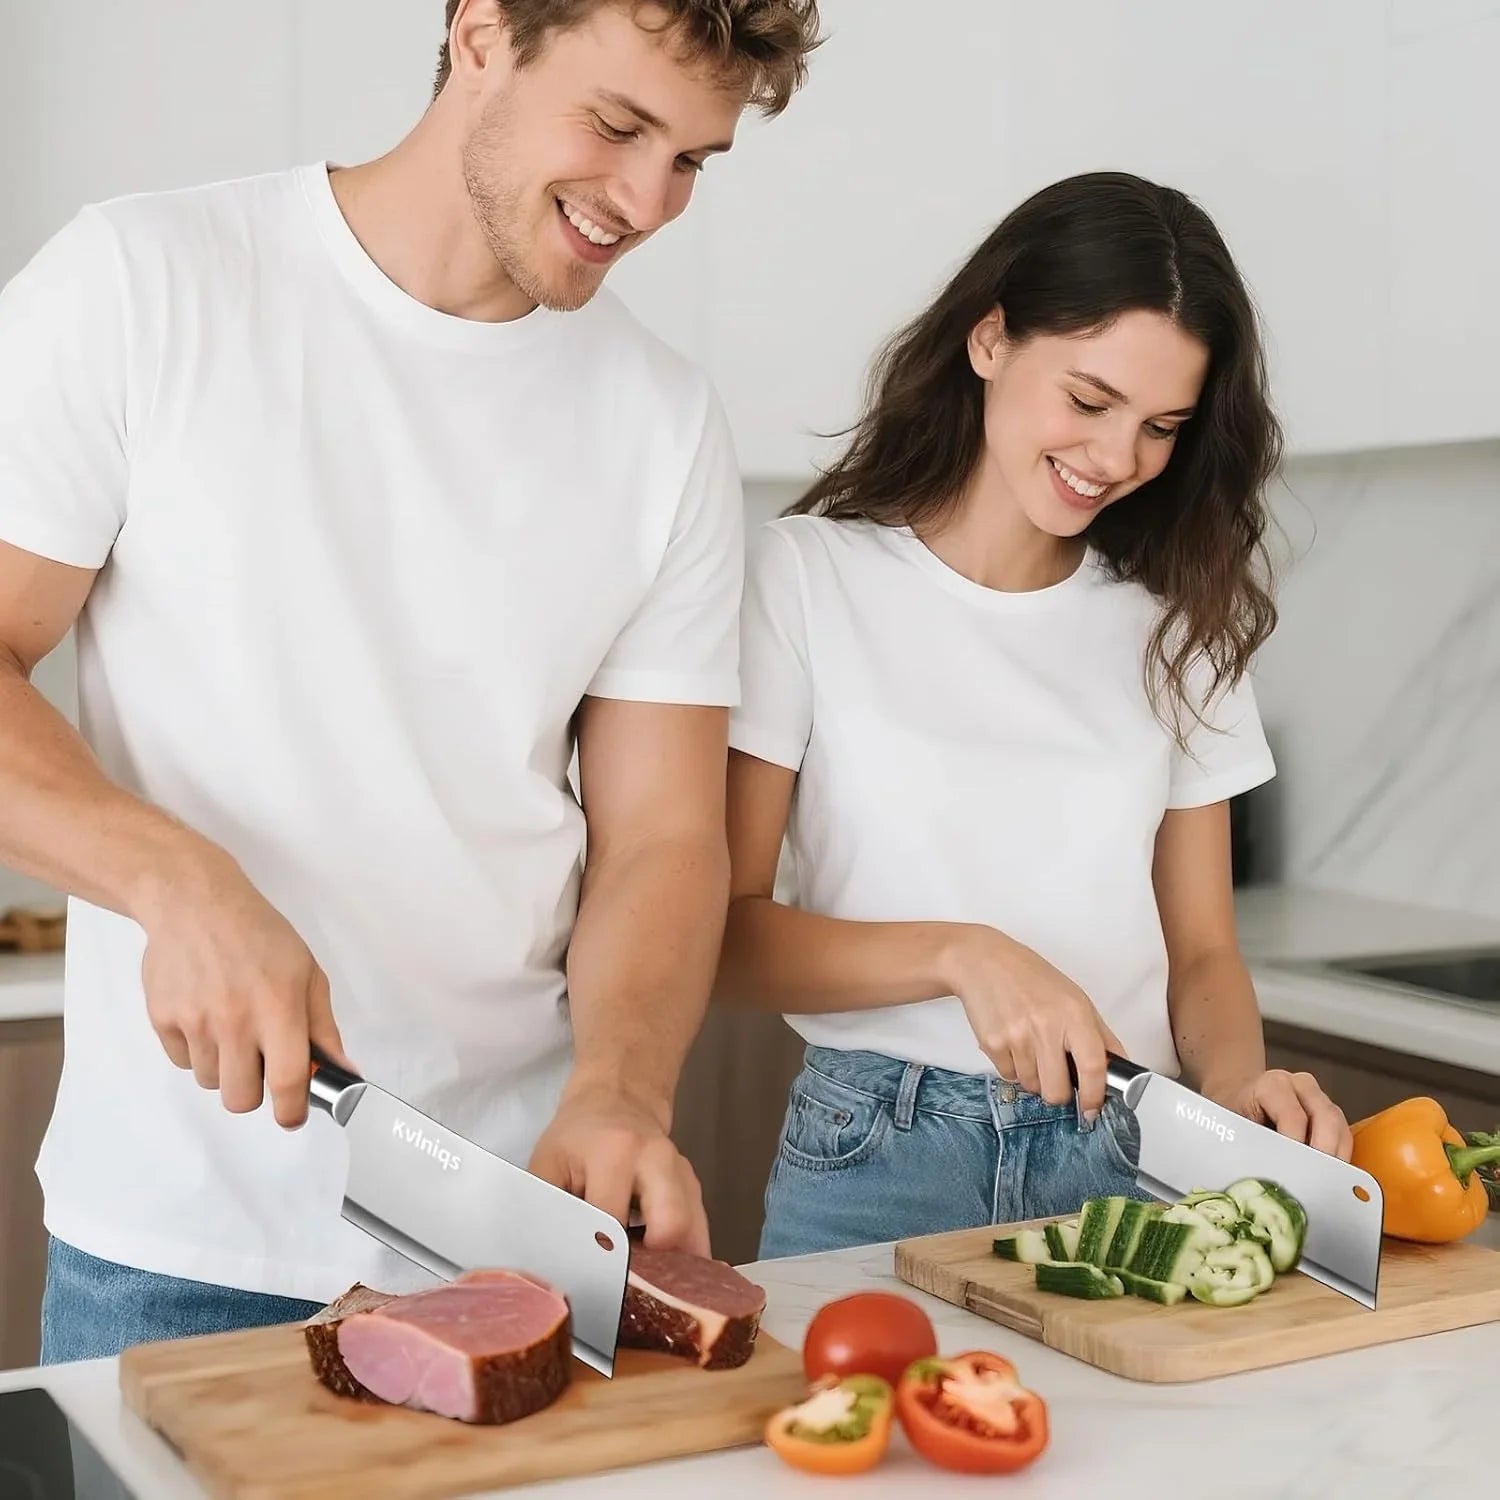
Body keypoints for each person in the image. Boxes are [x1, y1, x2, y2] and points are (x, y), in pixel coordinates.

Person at [0, 0, 822, 1361]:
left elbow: (664, 837)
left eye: (692, 159)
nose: (647, 200)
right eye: (618, 127)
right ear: (484, 32)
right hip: (188, 1245)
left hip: (512, 1234)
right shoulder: (148, 283)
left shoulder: (660, 422)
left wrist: (620, 1087)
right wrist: (174, 880)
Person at [714, 171, 1355, 1260]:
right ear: (990, 340)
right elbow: (722, 937)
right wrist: (963, 955)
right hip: (880, 1154)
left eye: (1162, 426)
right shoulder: (809, 579)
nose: (1116, 460)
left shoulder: (1175, 620)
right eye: (1090, 401)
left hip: (1127, 1158)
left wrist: (1240, 1077)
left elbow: (1202, 952)